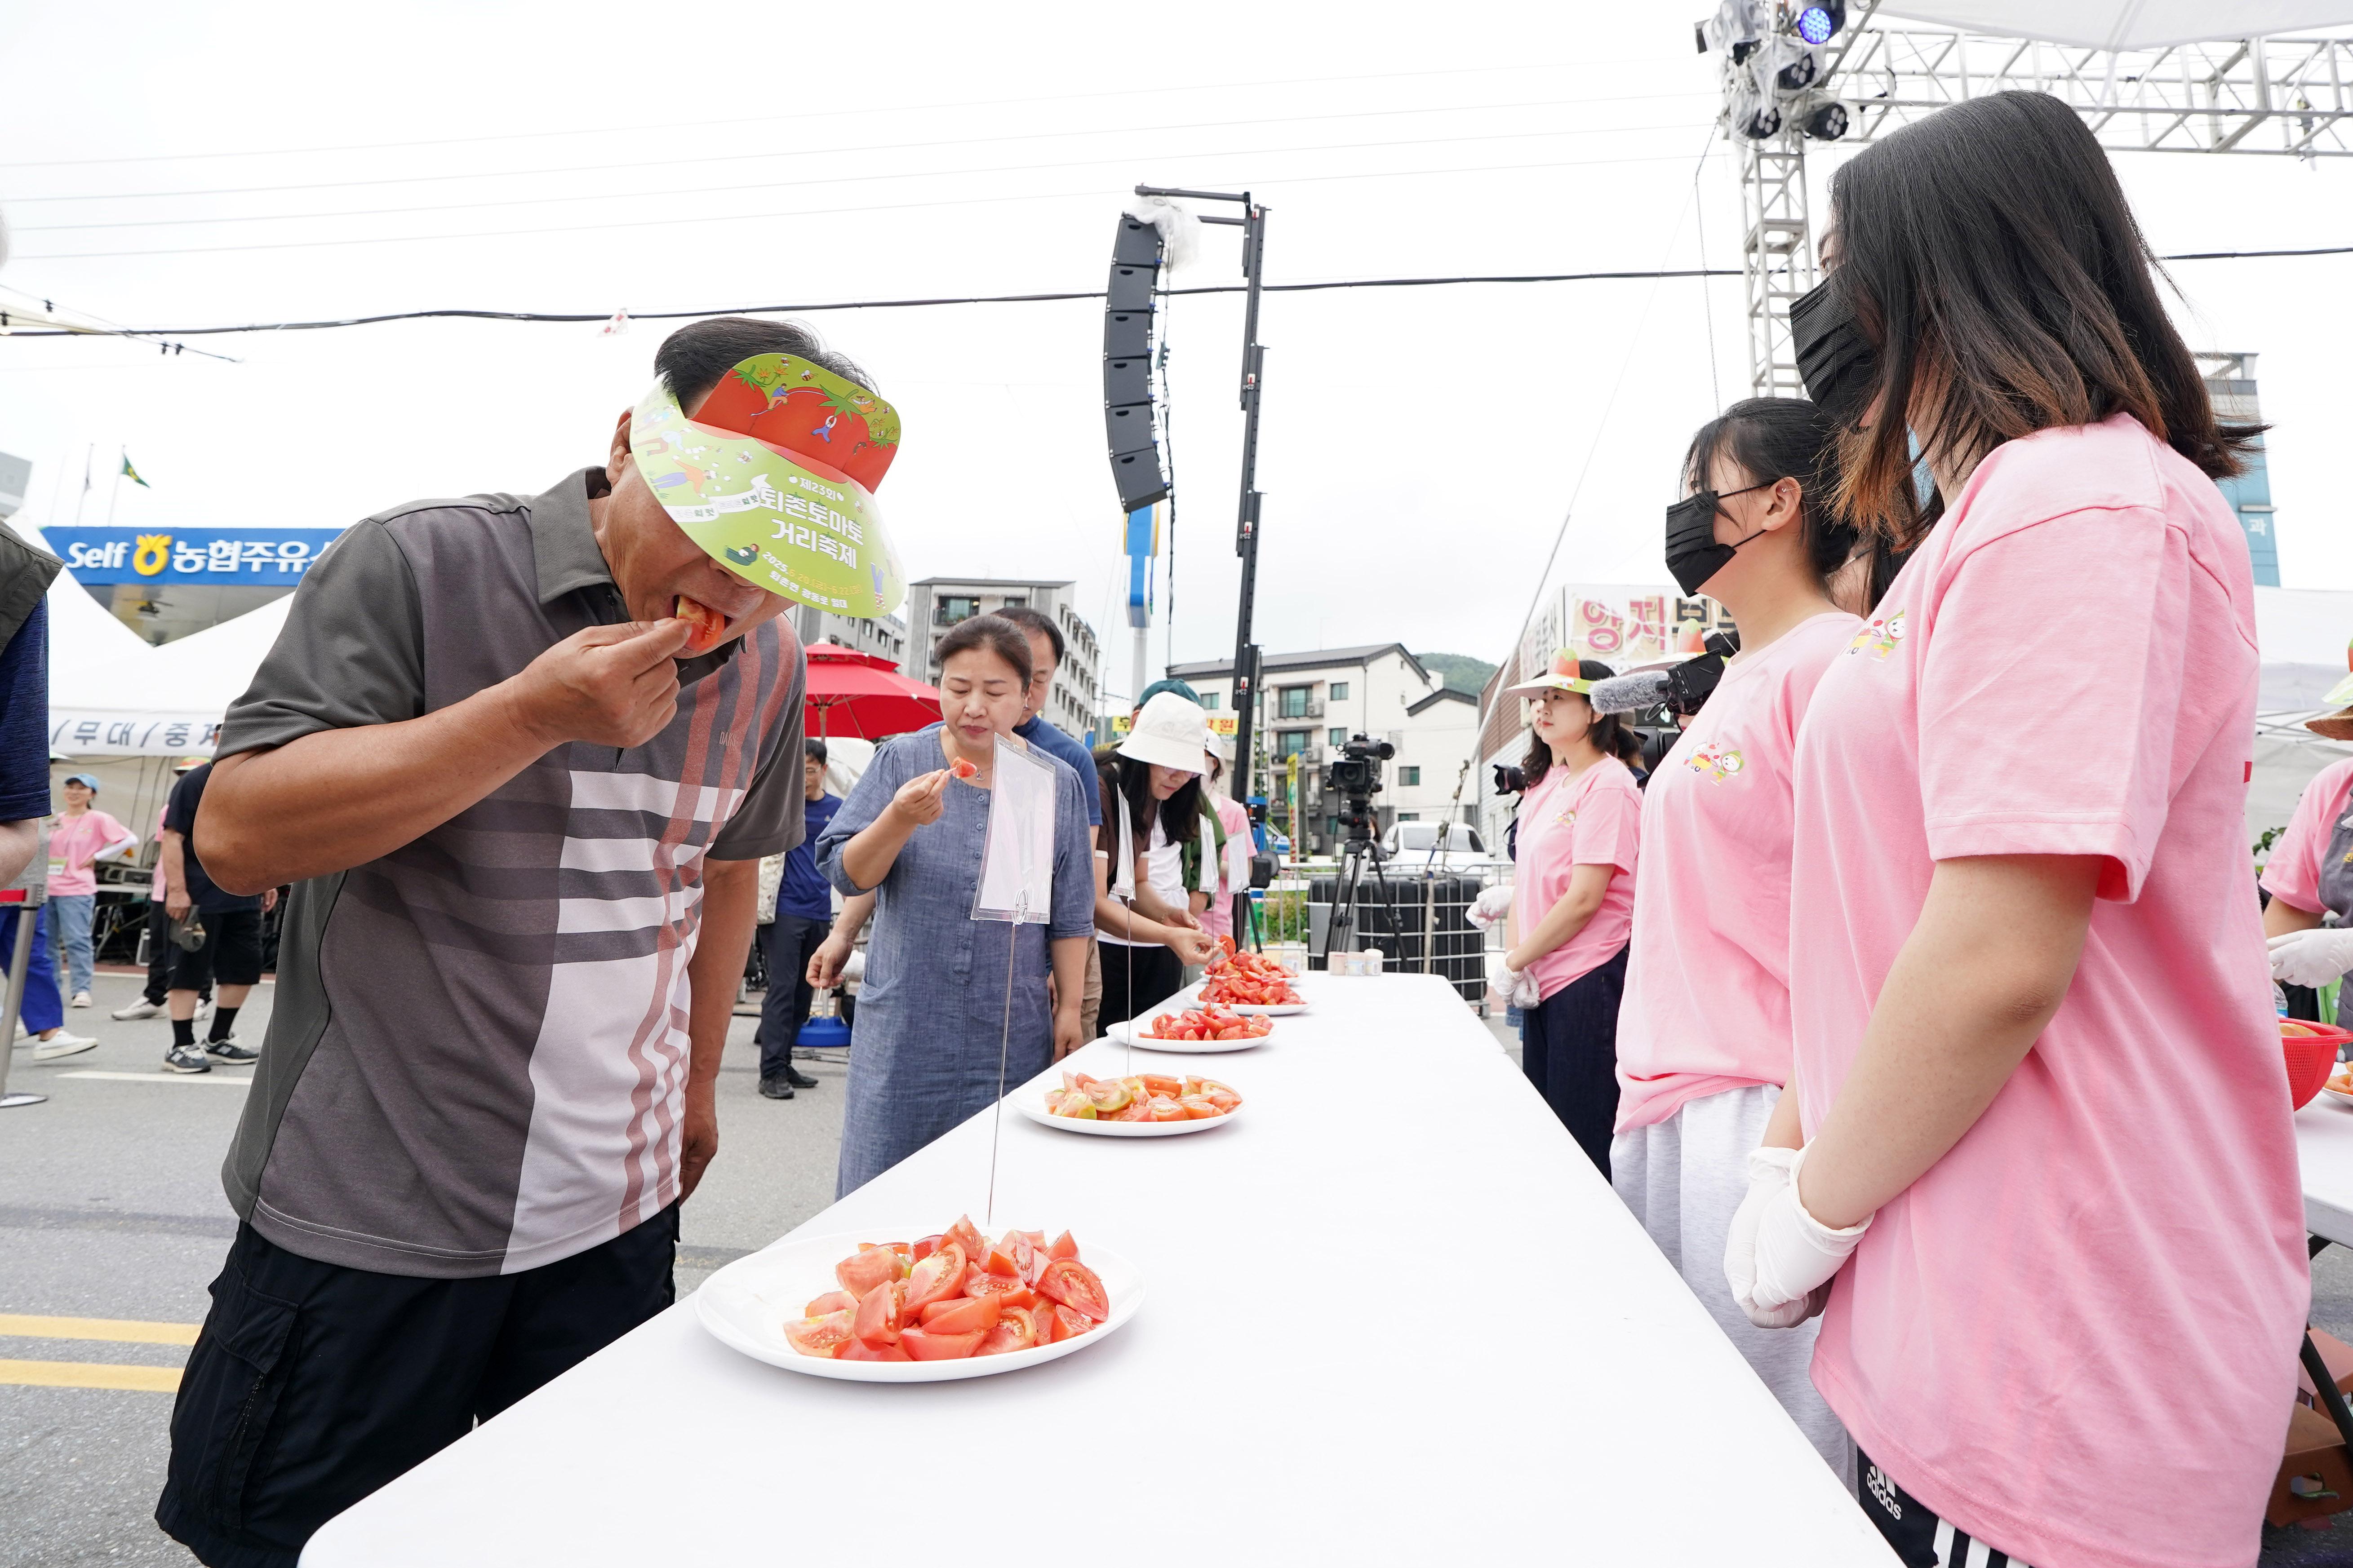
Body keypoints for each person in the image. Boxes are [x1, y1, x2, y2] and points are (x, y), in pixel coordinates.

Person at [155, 316, 871, 1568]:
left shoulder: (770, 659)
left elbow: (722, 872)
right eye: (717, 529)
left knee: (574, 1534)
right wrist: (528, 714)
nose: (738, 589)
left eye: (782, 561)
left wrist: (698, 1084)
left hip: (618, 1215)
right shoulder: (422, 561)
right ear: (627, 444)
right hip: (370, 1213)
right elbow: (237, 834)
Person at [1722, 92, 2305, 1568]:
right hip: (1955, 1286)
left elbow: (1992, 953)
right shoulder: (1983, 524)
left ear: (1942, 268)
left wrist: (1809, 1210)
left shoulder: (2073, 501)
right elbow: (1883, 911)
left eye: (1844, 268)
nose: (1822, 314)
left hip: (2055, 1319)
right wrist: (1797, 1152)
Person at [1609, 397, 1860, 1476]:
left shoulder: (1834, 661)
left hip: (1759, 1106)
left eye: (1700, 491)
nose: (1682, 516)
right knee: (1686, 1433)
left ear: (1777, 502)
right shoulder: (1739, 677)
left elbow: (1869, 917)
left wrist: (1793, 1149)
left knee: (1769, 1462)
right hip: (1669, 1094)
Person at [817, 613, 1093, 1196]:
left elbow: (1071, 910)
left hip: (1010, 1025)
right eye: (958, 687)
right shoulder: (901, 760)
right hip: (907, 1022)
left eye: (994, 692)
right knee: (885, 1183)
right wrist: (898, 819)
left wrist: (1069, 1008)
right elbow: (846, 870)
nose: (974, 707)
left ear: (1026, 696)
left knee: (992, 1190)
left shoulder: (1054, 781)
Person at [1498, 654, 1640, 1174]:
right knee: (1547, 1127)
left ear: (1597, 710)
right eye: (1540, 699)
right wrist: (1516, 960)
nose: (1543, 708)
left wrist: (1516, 962)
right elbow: (1525, 881)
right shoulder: (1547, 784)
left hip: (1587, 975)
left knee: (1583, 1134)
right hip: (1541, 978)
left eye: (1559, 698)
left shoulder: (1608, 784)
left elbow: (1585, 898)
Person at [994, 605, 1106, 1038]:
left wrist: (1065, 971)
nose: (1027, 692)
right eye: (1015, 673)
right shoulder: (941, 747)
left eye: (1039, 679)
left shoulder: (1071, 760)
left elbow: (1078, 881)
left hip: (1050, 950)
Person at [1094, 691, 1222, 1025]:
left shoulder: (1150, 796)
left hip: (1134, 938)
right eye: (1171, 765)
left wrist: (1169, 915)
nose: (1179, 779)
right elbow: (1092, 903)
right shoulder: (1100, 786)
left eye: (1190, 772)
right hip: (1085, 946)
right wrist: (1168, 935)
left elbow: (1136, 882)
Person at [157, 760, 272, 1073]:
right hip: (198, 895)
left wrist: (267, 879)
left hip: (243, 894)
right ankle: (181, 1045)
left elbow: (262, 835)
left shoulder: (259, 778)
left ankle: (219, 1038)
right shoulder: (196, 781)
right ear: (218, 739)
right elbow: (172, 837)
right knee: (188, 968)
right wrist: (177, 890)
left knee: (244, 969)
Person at [751, 740, 835, 1099]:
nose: (804, 777)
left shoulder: (838, 810)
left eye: (811, 770)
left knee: (804, 994)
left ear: (824, 771)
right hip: (784, 910)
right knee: (782, 991)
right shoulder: (782, 807)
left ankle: (784, 1063)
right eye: (799, 770)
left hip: (820, 910)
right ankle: (770, 1072)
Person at [114, 757, 213, 1023]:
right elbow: (167, 845)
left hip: (193, 889)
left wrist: (182, 888)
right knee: (159, 946)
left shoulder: (208, 807)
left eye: (191, 774)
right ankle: (155, 996)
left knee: (194, 944)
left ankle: (201, 997)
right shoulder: (169, 808)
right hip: (163, 888)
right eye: (182, 774)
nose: (186, 779)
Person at [45, 772, 138, 1008]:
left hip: (77, 888)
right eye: (70, 787)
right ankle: (51, 988)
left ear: (92, 794)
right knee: (46, 943)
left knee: (77, 940)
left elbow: (130, 840)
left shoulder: (98, 819)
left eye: (81, 788)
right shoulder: (56, 818)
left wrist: (97, 856)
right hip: (48, 887)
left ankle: (81, 990)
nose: (74, 792)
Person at [1197, 741, 1254, 946]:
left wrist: (1205, 860)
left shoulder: (1234, 813)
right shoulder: (1166, 807)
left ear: (1214, 764)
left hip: (1215, 930)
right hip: (1168, 928)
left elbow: (1242, 875)